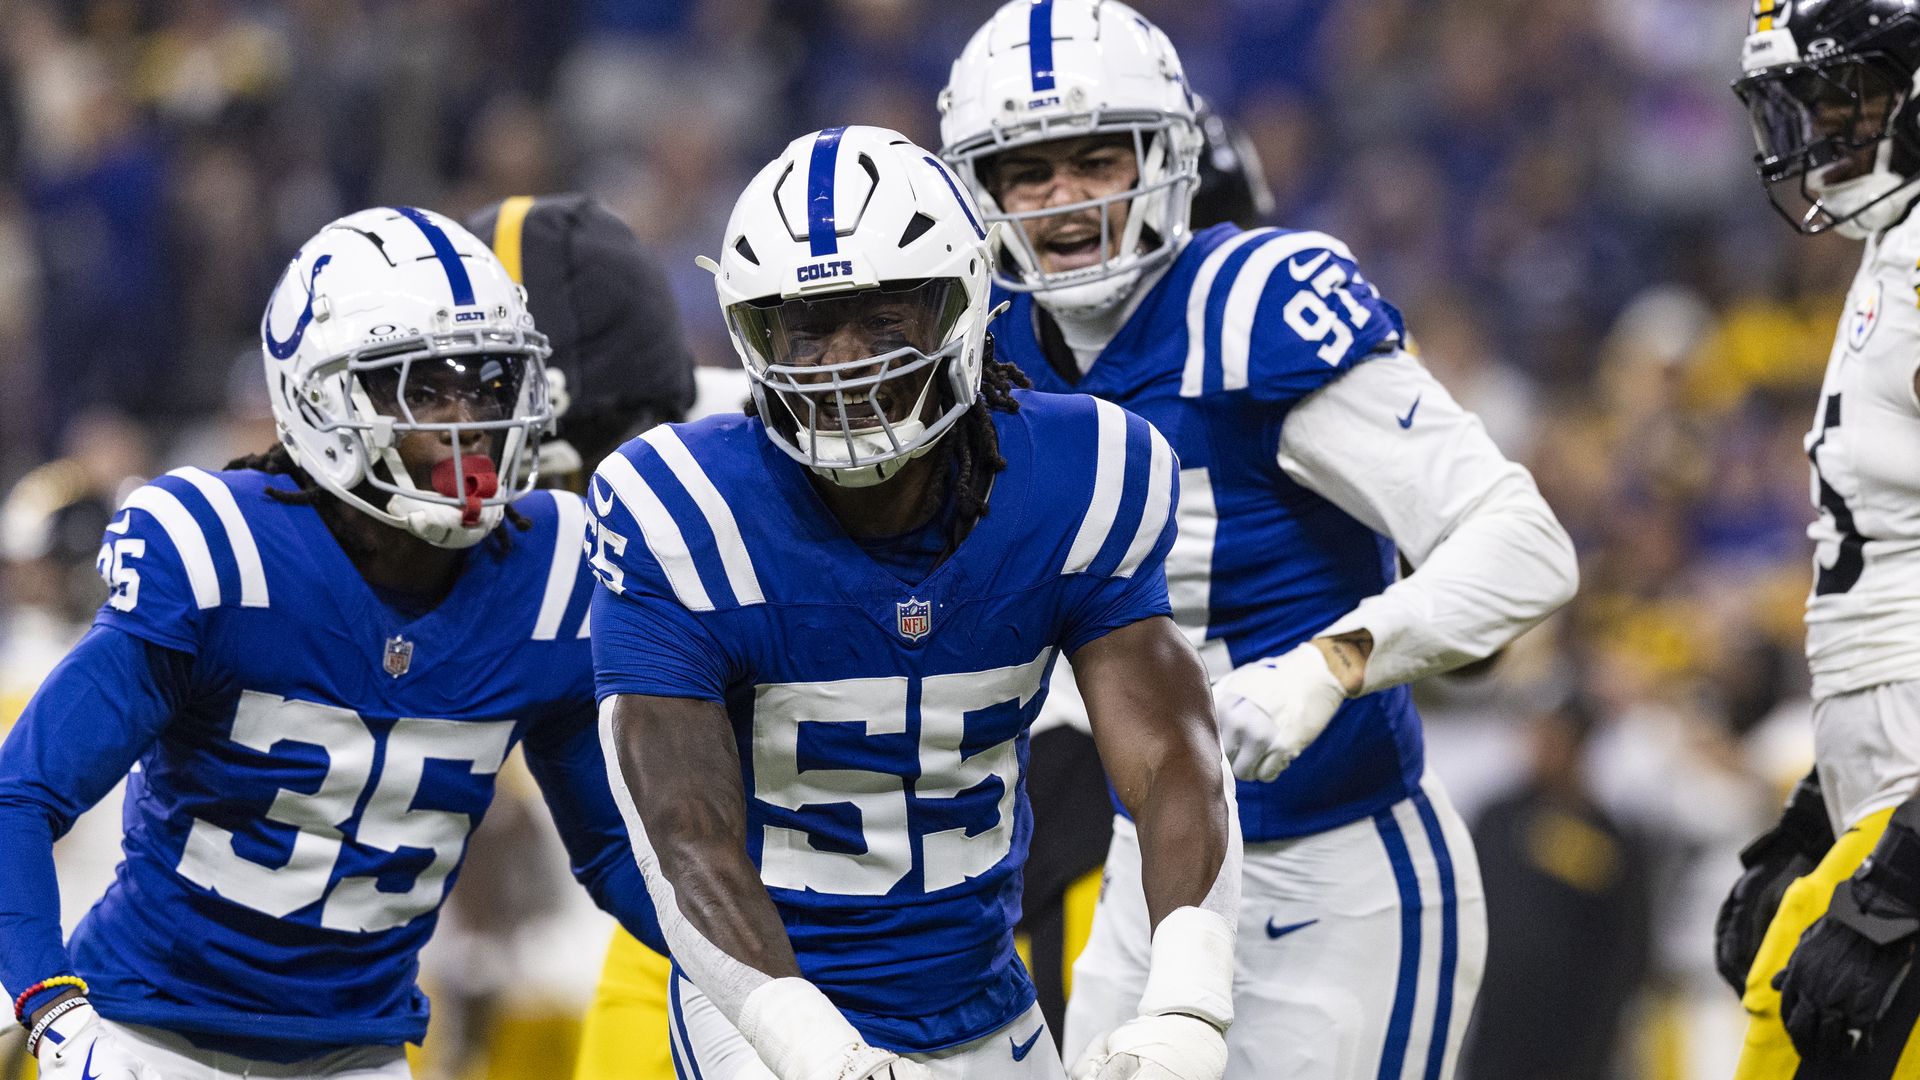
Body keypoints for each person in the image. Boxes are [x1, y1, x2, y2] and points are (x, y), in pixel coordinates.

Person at [938, 3, 1580, 1078]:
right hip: (1153, 874)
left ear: (1167, 158)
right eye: (1029, 172)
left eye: (1097, 161)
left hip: (1340, 872)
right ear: (984, 190)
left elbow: (1524, 544)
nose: (1062, 201)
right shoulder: (991, 351)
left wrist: (1336, 664)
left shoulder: (1251, 308)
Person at [586, 124, 1241, 1080]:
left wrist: (1188, 1000)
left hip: (983, 997)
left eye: (887, 315)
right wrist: (822, 1054)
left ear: (968, 305)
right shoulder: (682, 513)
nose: (847, 361)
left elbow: (1173, 758)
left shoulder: (1081, 473)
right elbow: (683, 837)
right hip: (772, 1006)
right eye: (807, 325)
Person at [0, 206, 664, 1079]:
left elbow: (615, 852)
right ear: (319, 396)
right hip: (151, 1037)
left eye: (488, 386)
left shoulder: (549, 574)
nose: (464, 424)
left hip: (360, 1051)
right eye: (423, 389)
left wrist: (787, 974)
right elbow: (21, 796)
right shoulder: (224, 555)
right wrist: (53, 1009)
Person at [1718, 2, 1920, 1074]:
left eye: (1851, 94)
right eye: (1807, 101)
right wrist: (1816, 805)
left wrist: (1910, 858)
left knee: (1785, 1027)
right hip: (1881, 763)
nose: (1823, 129)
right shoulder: (1894, 247)